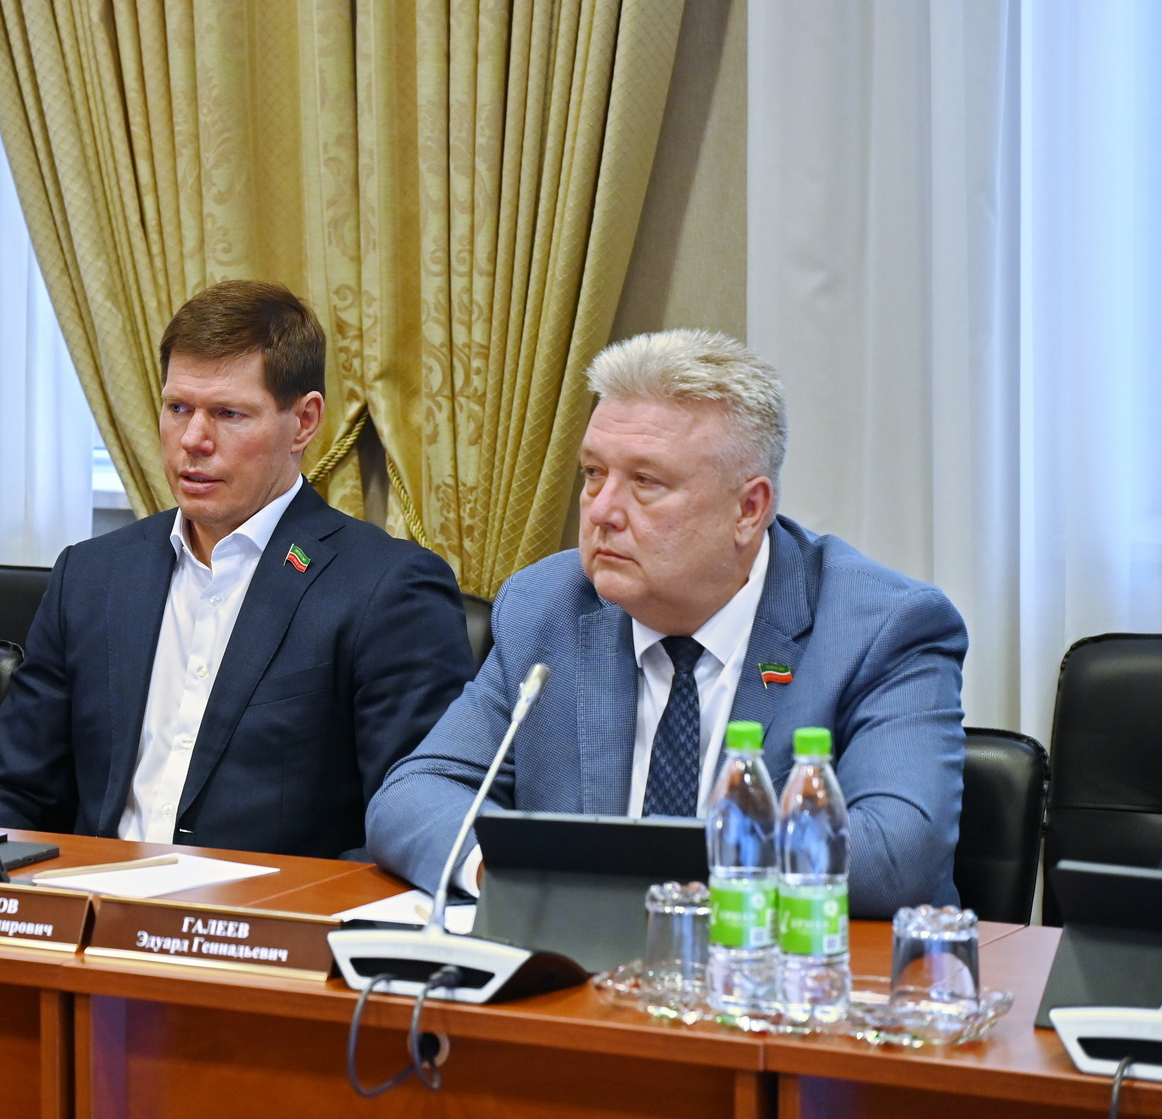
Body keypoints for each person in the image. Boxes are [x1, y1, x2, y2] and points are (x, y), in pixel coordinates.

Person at [367, 329, 967, 916]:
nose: (602, 511)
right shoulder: (549, 604)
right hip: (584, 967)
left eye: (645, 481)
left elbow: (896, 854)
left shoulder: (881, 626)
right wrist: (510, 874)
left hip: (785, 968)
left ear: (748, 509)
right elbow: (415, 794)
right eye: (594, 473)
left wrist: (624, 876)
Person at [0, 280, 476, 858]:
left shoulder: (387, 590)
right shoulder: (92, 577)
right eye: (178, 408)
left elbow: (415, 827)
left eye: (229, 414)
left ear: (304, 421)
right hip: (91, 902)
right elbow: (11, 789)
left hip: (272, 909)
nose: (193, 440)